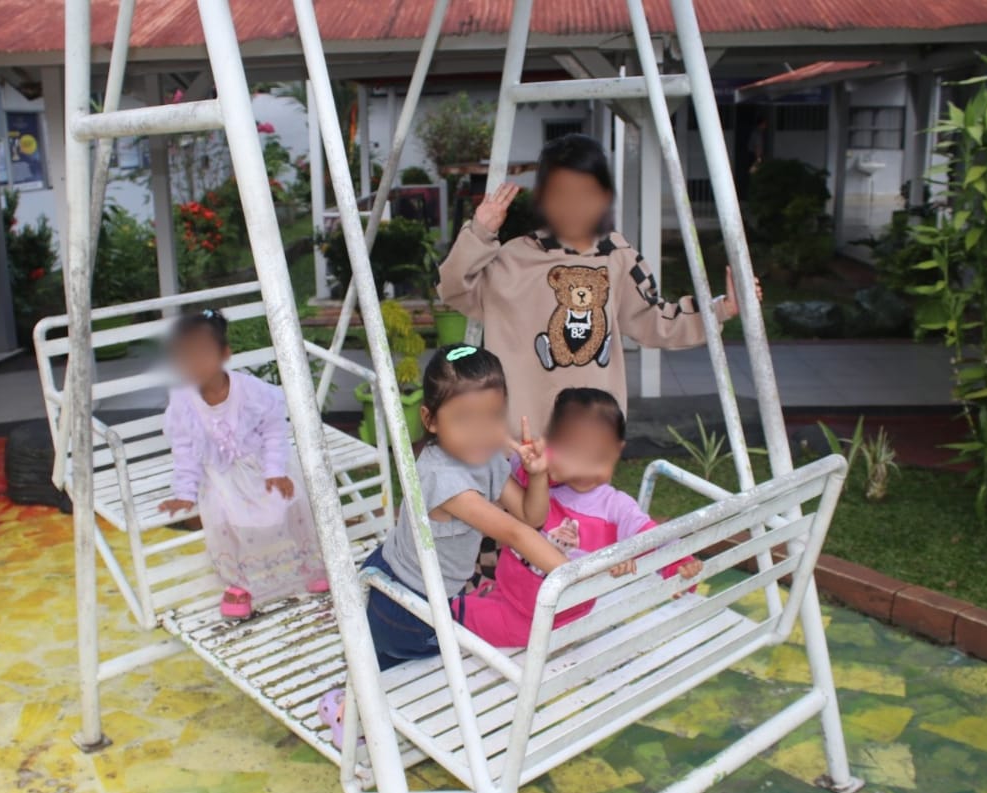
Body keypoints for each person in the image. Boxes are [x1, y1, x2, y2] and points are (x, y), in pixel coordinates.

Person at [317, 344, 568, 747]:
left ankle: (352, 699)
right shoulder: (441, 477)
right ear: (430, 420)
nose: (480, 432)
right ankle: (349, 712)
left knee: (385, 666)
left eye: (493, 416)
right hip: (402, 602)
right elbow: (517, 534)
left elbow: (529, 516)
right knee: (399, 667)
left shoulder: (485, 458)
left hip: (422, 590)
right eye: (464, 419)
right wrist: (574, 574)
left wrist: (536, 475)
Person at [437, 132, 762, 435]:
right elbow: (453, 288)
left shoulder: (615, 255)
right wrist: (480, 231)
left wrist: (722, 308)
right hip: (518, 441)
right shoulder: (511, 259)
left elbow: (656, 320)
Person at [455, 388, 703, 648]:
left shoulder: (616, 508)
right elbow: (520, 467)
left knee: (449, 613)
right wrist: (535, 463)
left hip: (537, 622)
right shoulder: (542, 480)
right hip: (510, 592)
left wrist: (680, 564)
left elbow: (656, 538)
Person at [158, 308, 327, 619]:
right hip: (219, 473)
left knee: (293, 498)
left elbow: (274, 429)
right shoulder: (182, 401)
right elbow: (184, 449)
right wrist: (184, 490)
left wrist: (275, 470)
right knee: (221, 512)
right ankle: (238, 582)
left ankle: (309, 563)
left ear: (224, 354)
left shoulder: (250, 390)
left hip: (261, 463)